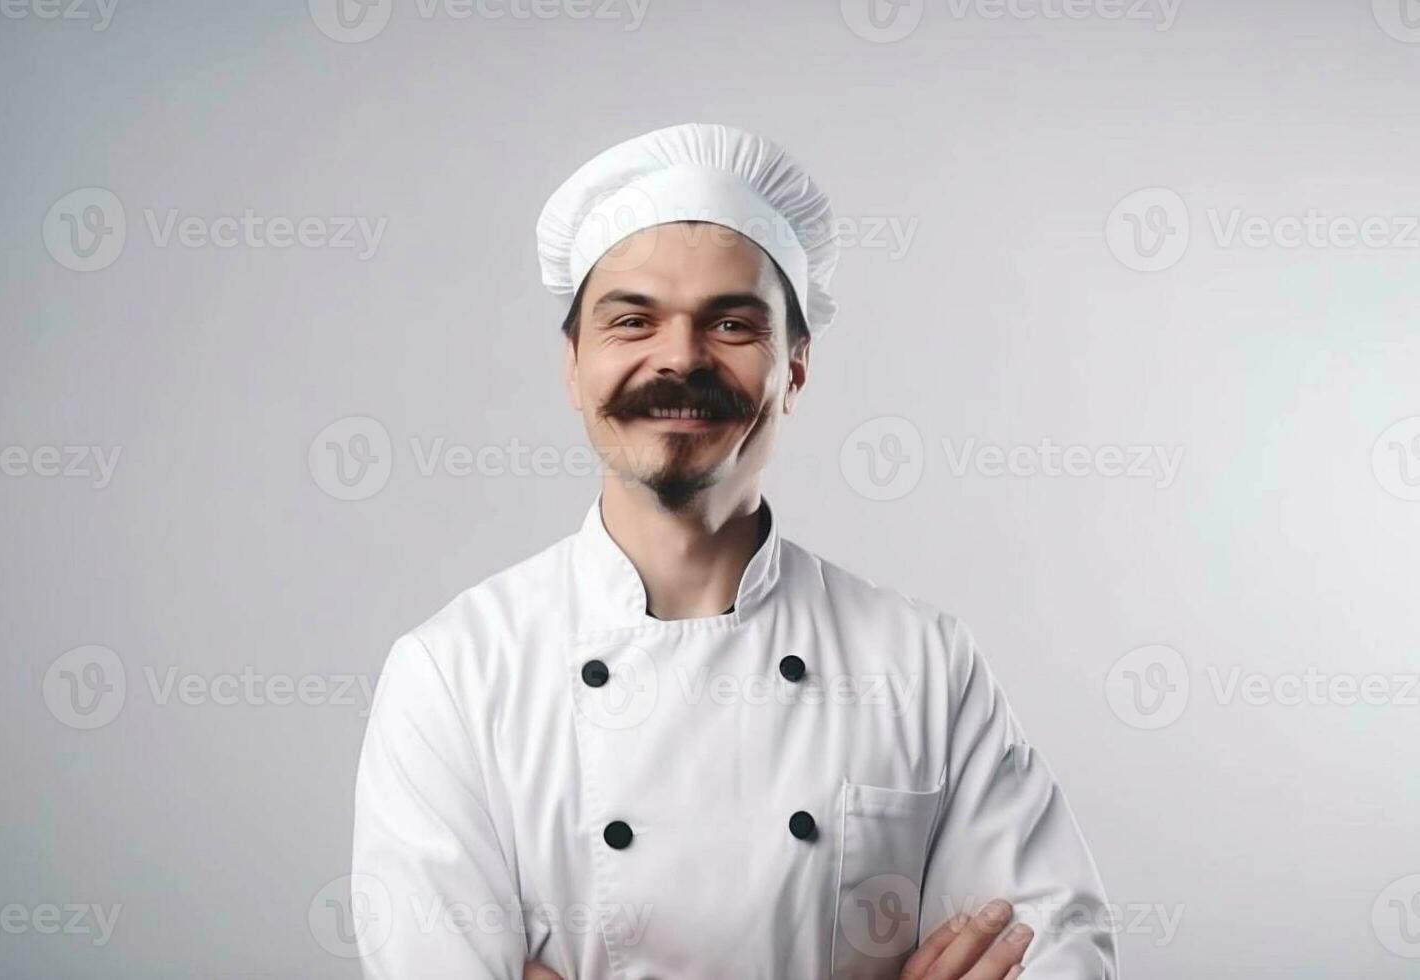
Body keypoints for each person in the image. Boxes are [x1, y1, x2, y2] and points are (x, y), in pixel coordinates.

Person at [350, 122, 1118, 979]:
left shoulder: (923, 664)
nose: (678, 357)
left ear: (794, 368)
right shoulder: (455, 676)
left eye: (731, 323)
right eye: (632, 320)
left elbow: (1057, 954)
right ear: (573, 365)